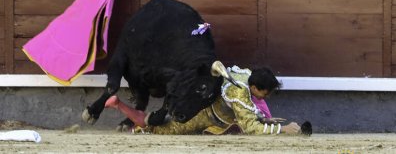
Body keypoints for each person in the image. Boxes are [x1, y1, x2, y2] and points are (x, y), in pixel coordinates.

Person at [105, 66, 305, 135]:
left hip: (202, 102)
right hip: (202, 116)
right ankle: (120, 106)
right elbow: (251, 127)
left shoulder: (245, 75)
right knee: (160, 128)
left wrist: (266, 119)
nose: (266, 97)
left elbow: (254, 110)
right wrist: (282, 129)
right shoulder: (239, 94)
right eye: (265, 93)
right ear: (254, 88)